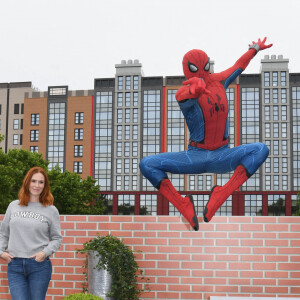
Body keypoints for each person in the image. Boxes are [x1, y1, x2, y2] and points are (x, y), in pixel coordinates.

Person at [139, 38, 272, 230]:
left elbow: (239, 65)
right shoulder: (184, 91)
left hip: (222, 155)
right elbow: (182, 97)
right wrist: (194, 91)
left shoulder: (219, 81)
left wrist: (254, 49)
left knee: (261, 149)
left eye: (204, 66)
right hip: (195, 156)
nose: (201, 71)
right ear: (187, 69)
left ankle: (221, 194)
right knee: (147, 164)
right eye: (195, 68)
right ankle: (183, 204)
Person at [0, 166, 62, 299]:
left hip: (39, 265)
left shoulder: (51, 210)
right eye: (33, 181)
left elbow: (57, 238)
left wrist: (44, 253)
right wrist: (1, 252)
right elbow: (4, 233)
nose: (37, 185)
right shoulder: (13, 206)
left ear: (45, 186)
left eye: (41, 182)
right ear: (27, 182)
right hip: (15, 265)